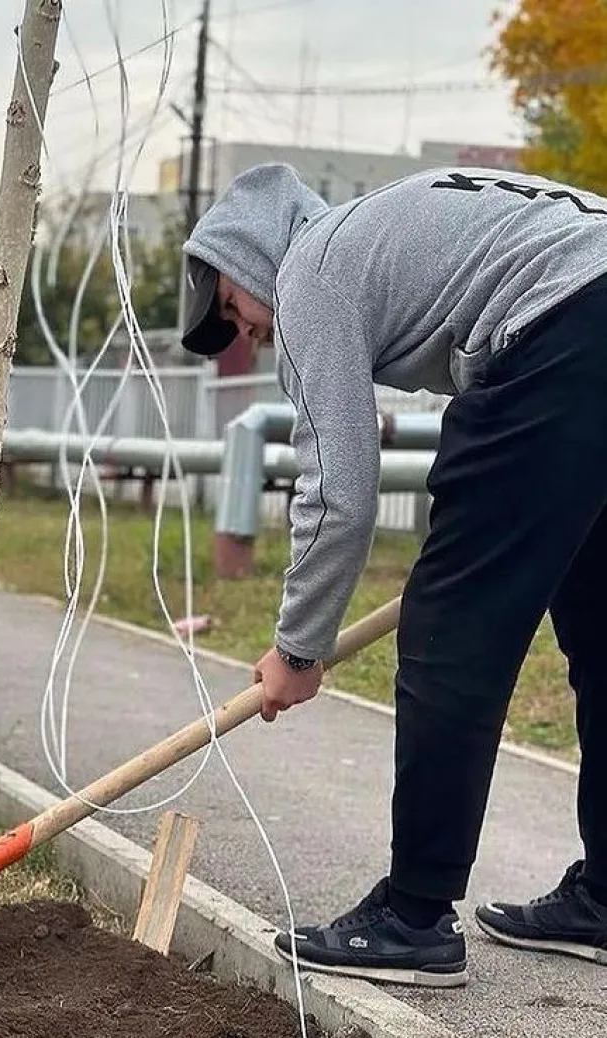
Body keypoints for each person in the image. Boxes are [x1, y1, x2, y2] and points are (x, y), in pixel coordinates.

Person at [180, 159, 607, 990]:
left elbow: (338, 495)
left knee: (452, 632)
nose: (246, 333)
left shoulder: (312, 268)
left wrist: (299, 652)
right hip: (586, 306)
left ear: (253, 259)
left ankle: (412, 917)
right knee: (603, 629)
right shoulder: (388, 228)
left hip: (567, 328)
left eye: (232, 306)